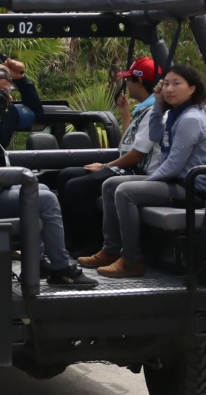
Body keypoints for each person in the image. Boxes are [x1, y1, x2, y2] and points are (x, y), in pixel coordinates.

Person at [0, 59, 98, 289]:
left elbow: (37, 113)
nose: (1, 97)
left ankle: (36, 261)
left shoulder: (7, 114)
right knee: (45, 198)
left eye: (6, 91)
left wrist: (22, 81)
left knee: (42, 189)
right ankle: (61, 269)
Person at [81, 63, 206, 279]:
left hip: (188, 189)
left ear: (192, 89)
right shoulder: (176, 114)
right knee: (109, 185)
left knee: (125, 191)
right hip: (172, 183)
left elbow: (174, 164)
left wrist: (145, 182)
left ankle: (132, 260)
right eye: (167, 84)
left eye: (177, 84)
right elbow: (155, 134)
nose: (170, 89)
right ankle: (111, 250)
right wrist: (159, 106)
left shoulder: (191, 118)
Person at [57, 57, 160, 252]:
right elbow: (127, 145)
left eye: (128, 80)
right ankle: (71, 241)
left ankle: (94, 245)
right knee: (65, 175)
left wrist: (106, 167)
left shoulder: (154, 110)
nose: (126, 85)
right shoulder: (142, 108)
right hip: (128, 165)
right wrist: (125, 115)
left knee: (76, 187)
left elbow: (137, 155)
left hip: (138, 171)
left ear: (138, 82)